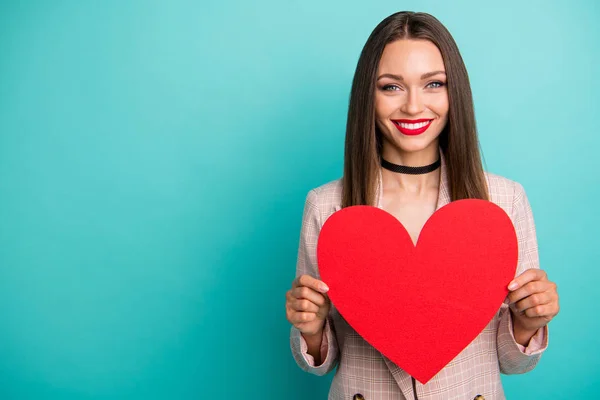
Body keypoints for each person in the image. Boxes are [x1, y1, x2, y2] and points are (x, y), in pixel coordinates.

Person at [284, 11, 560, 400]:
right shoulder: (327, 206)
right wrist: (310, 330)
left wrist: (528, 322)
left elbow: (513, 362)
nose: (414, 106)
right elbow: (321, 361)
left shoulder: (504, 201)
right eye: (391, 87)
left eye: (433, 84)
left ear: (454, 93)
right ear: (368, 95)